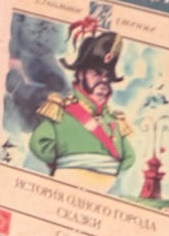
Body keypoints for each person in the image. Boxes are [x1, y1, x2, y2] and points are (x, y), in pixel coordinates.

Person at [26, 30, 133, 193]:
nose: (104, 80)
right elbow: (39, 143)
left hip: (107, 189)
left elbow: (129, 157)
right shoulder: (61, 112)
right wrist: (66, 159)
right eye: (97, 73)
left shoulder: (114, 120)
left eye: (107, 75)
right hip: (66, 185)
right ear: (81, 74)